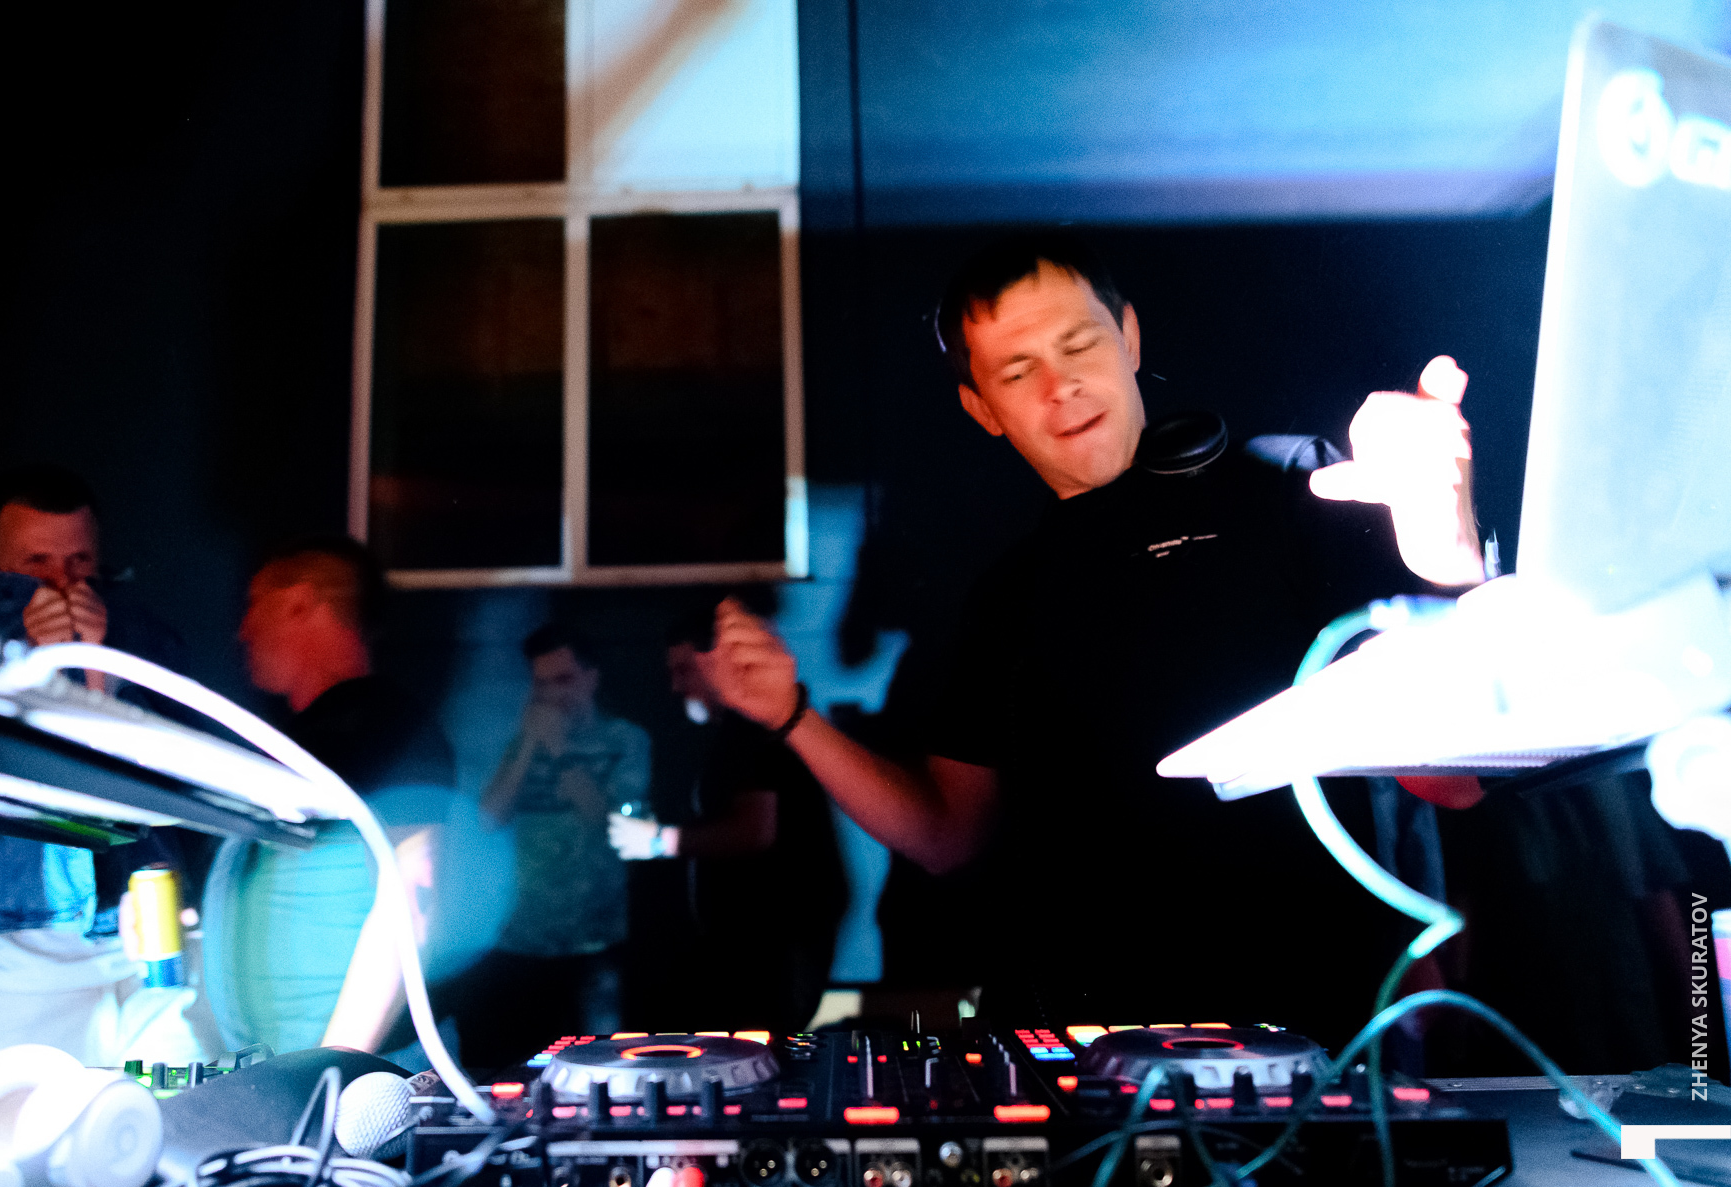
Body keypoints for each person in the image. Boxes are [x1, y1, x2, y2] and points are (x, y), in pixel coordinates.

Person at [701, 232, 1482, 1042]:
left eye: (1079, 345)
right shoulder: (1008, 594)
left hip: (1308, 1041)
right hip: (1090, 1059)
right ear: (982, 408)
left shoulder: (1296, 487)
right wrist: (791, 715)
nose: (1062, 385)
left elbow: (1451, 778)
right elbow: (945, 835)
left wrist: (1448, 547)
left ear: (1129, 337)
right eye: (1017, 371)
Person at [0, 464, 190, 1059]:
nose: (61, 582)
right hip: (4, 936)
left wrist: (98, 669)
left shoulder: (144, 639)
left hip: (138, 922)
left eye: (78, 562)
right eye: (37, 563)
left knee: (170, 1106)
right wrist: (28, 666)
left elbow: (173, 786)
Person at [194, 535, 459, 1057]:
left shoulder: (381, 724)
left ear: (300, 603)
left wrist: (331, 1068)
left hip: (364, 1075)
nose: (243, 630)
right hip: (304, 1071)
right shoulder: (316, 735)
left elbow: (414, 894)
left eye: (256, 604)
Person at [608, 606, 847, 1032]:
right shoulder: (737, 732)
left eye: (684, 670)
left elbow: (755, 831)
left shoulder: (753, 729)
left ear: (719, 662)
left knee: (758, 1054)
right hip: (758, 942)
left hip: (773, 942)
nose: (675, 685)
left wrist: (660, 840)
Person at [462, 624, 649, 1064]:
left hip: (594, 942)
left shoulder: (625, 740)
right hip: (521, 942)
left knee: (602, 1067)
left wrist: (560, 748)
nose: (551, 695)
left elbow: (613, 827)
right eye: (541, 684)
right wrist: (531, 743)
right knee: (520, 1070)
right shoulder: (521, 742)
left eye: (562, 680)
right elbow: (487, 818)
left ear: (591, 677)